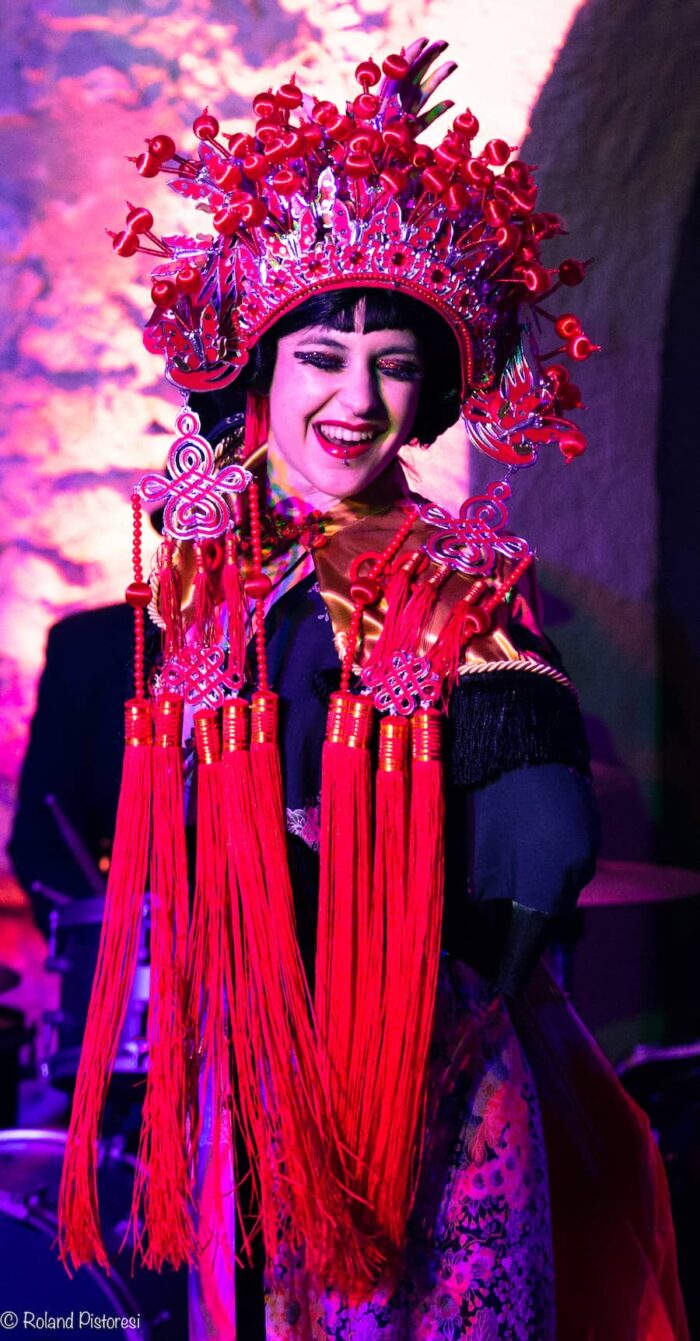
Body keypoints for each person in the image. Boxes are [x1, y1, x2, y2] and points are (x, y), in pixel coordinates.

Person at [57, 38, 689, 1341]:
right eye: (321, 357)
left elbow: (545, 842)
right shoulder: (212, 574)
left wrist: (415, 991)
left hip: (407, 1094)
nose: (355, 398)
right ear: (261, 368)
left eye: (392, 363)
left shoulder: (453, 585)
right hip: (248, 1078)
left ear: (431, 390)